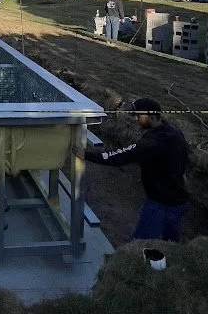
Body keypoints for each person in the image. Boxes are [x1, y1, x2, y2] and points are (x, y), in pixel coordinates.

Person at [74, 97, 188, 241]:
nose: (134, 119)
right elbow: (184, 160)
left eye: (137, 116)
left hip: (160, 203)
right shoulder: (174, 132)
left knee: (138, 244)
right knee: (171, 242)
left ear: (150, 116)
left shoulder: (152, 142)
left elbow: (121, 156)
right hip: (178, 200)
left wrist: (87, 155)